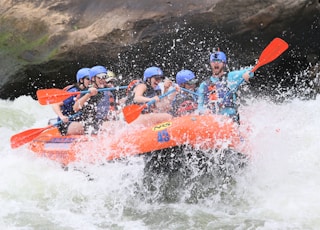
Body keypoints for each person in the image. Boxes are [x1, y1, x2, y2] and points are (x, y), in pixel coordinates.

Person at [197, 50, 253, 123]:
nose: (216, 63)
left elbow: (251, 70)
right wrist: (204, 111)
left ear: (224, 63)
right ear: (210, 64)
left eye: (219, 61)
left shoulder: (231, 77)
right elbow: (200, 106)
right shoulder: (204, 84)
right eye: (213, 61)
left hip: (230, 119)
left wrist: (248, 73)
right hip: (213, 121)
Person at [52, 67, 94, 135]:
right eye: (88, 79)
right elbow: (55, 104)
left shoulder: (90, 91)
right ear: (81, 80)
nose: (90, 81)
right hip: (66, 123)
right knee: (82, 127)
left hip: (79, 120)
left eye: (92, 79)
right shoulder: (73, 92)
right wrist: (62, 116)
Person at [73, 65, 111, 134]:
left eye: (104, 77)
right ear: (93, 78)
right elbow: (75, 108)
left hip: (99, 121)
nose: (102, 80)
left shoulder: (103, 89)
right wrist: (88, 94)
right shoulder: (86, 90)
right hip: (89, 124)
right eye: (99, 77)